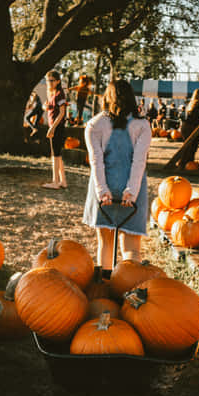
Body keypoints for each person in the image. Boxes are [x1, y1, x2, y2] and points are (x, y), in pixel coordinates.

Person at [83, 79, 151, 269]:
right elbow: (139, 162)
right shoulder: (142, 125)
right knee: (132, 247)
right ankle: (127, 285)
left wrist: (102, 190)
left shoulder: (94, 125)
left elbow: (96, 161)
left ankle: (105, 284)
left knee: (106, 243)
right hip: (133, 190)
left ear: (107, 98)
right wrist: (131, 191)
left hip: (105, 188)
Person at [42, 70, 67, 189]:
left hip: (57, 127)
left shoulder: (59, 94)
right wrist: (45, 106)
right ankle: (63, 181)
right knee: (57, 154)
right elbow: (49, 107)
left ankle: (55, 182)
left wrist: (52, 128)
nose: (49, 83)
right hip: (55, 126)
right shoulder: (53, 94)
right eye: (47, 80)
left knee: (55, 155)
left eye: (52, 80)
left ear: (58, 81)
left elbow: (62, 113)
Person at [179, 88, 199, 168]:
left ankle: (186, 163)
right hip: (191, 127)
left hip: (185, 127)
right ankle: (186, 163)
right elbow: (197, 117)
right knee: (192, 146)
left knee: (189, 146)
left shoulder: (191, 103)